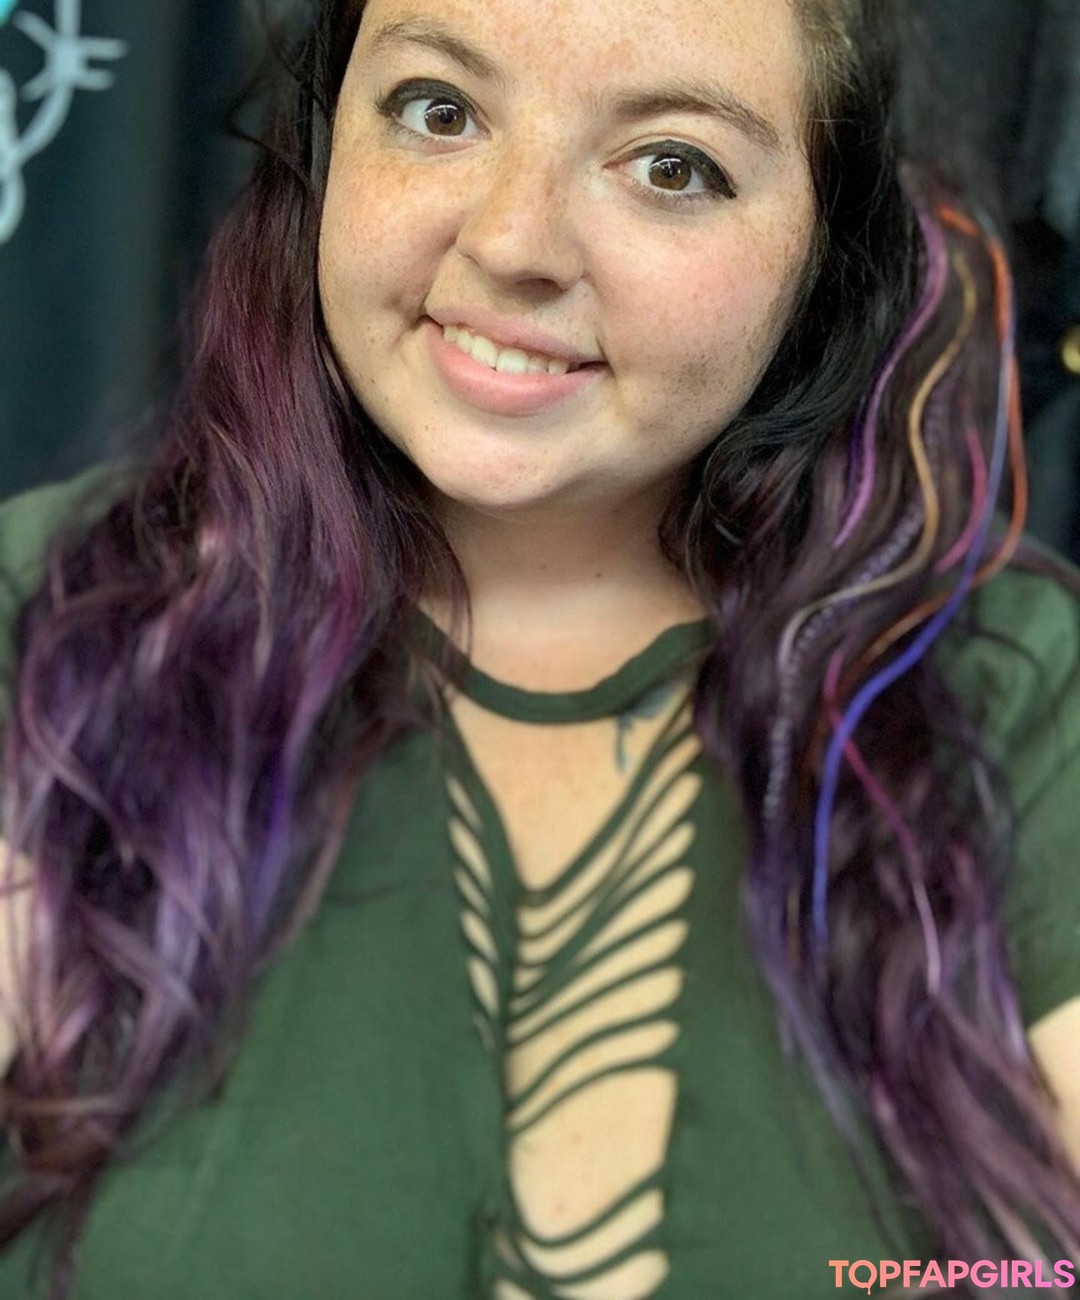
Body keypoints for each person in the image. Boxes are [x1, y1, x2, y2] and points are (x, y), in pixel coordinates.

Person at [0, 0, 1078, 1296]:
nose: (514, 243)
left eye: (672, 165)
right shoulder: (48, 626)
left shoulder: (1012, 693)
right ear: (326, 139)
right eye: (439, 109)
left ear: (826, 253)